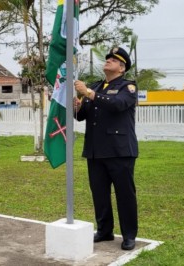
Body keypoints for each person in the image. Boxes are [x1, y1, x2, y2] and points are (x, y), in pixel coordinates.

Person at [73, 47, 138, 250]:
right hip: (95, 149)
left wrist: (89, 94)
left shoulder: (127, 87)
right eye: (108, 58)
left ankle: (129, 235)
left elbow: (117, 105)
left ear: (121, 67)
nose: (108, 60)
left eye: (113, 59)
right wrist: (77, 105)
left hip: (119, 151)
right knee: (99, 194)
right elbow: (81, 115)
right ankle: (105, 230)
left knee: (124, 194)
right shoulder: (96, 86)